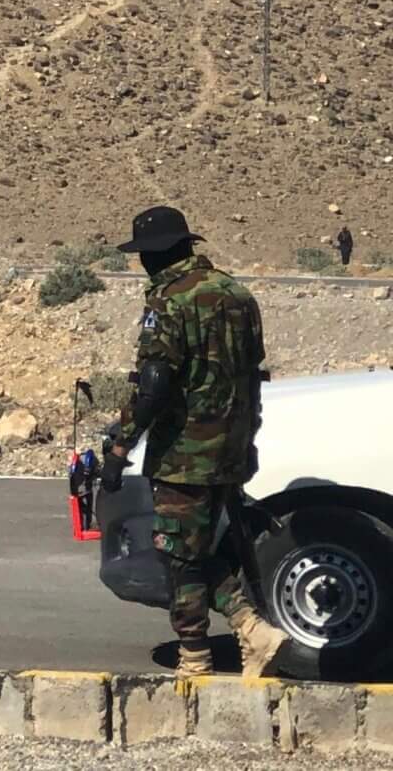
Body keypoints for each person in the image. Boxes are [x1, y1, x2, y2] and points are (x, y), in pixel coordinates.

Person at [96, 206, 289, 678]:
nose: (141, 263)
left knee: (178, 552)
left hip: (186, 451)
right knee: (202, 547)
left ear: (157, 255)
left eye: (143, 255)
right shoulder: (237, 294)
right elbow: (252, 371)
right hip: (235, 445)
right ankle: (249, 628)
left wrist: (121, 446)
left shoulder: (170, 301)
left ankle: (200, 655)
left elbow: (156, 382)